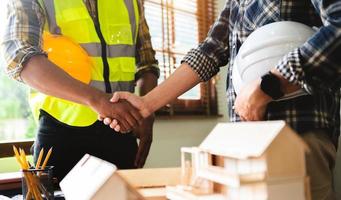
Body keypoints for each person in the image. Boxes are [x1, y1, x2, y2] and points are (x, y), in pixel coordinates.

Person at [104, 0, 341, 199]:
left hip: (295, 136)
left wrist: (271, 84)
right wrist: (146, 104)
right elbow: (210, 51)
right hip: (246, 144)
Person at [0, 0, 159, 181]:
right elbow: (19, 57)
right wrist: (98, 100)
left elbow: (147, 63)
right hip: (62, 134)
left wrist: (147, 110)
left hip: (121, 129)